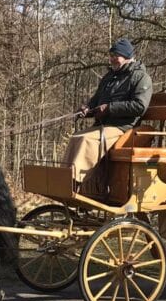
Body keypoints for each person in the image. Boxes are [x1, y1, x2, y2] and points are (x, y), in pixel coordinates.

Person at [64, 38, 153, 195]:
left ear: (126, 56)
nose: (112, 59)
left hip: (123, 128)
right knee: (76, 137)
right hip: (104, 125)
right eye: (111, 55)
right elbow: (97, 100)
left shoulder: (141, 77)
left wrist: (110, 108)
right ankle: (64, 177)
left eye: (115, 55)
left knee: (86, 140)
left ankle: (75, 182)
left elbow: (139, 106)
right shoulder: (109, 77)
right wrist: (87, 109)